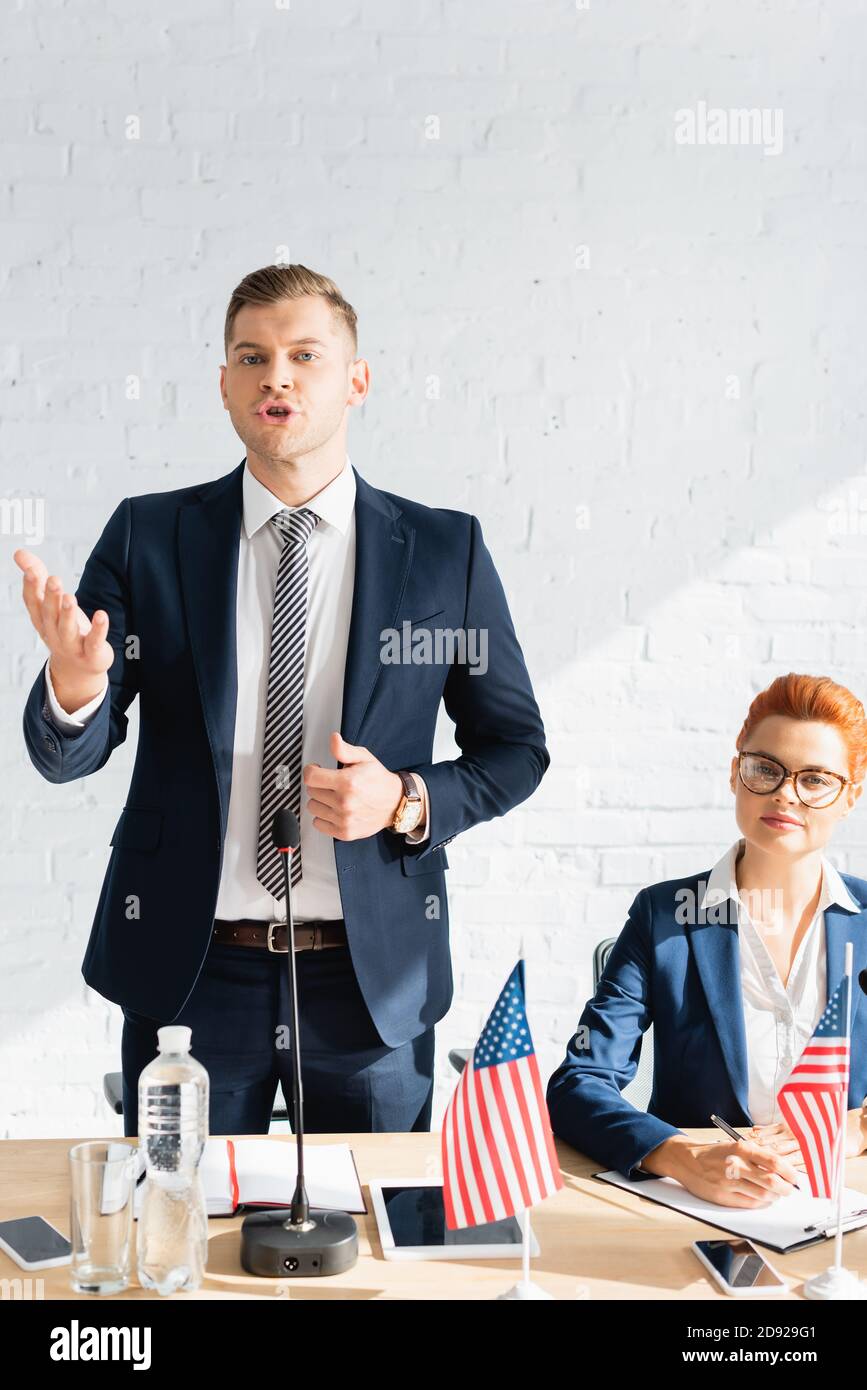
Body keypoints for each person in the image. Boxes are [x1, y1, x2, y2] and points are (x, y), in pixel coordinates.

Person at [16, 263, 549, 1138]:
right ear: (225, 384)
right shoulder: (149, 536)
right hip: (191, 970)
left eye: (306, 355)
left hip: (368, 979)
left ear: (356, 380)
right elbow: (64, 756)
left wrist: (408, 799)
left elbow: (516, 749)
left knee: (368, 1245)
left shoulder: (443, 551)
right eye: (252, 357)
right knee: (178, 1233)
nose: (278, 376)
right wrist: (76, 689)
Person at [547, 673, 867, 1209]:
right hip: (703, 1205)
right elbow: (579, 1081)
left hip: (843, 1205)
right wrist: (680, 1157)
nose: (786, 793)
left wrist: (858, 1130)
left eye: (815, 780)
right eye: (765, 769)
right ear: (735, 775)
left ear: (849, 798)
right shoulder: (664, 916)